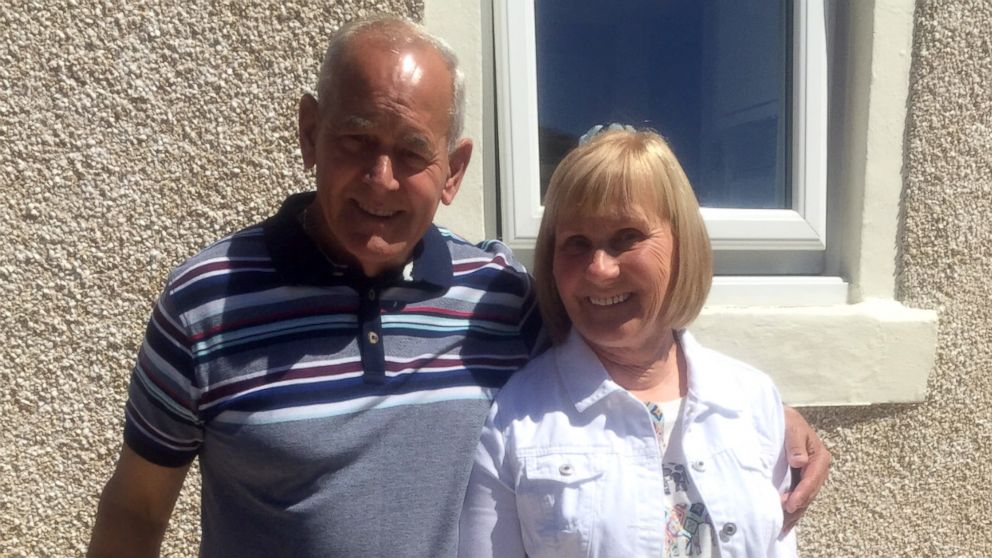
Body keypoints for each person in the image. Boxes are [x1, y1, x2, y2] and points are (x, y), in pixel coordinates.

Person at [87, 16, 827, 558]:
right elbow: (135, 509)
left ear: (453, 170)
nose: (380, 179)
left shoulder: (500, 299)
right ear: (310, 132)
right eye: (355, 141)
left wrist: (763, 412)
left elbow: (628, 358)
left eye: (412, 151)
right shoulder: (205, 303)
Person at [459, 127, 800, 557]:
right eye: (577, 243)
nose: (600, 269)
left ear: (682, 244)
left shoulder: (752, 401)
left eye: (627, 237)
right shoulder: (516, 420)